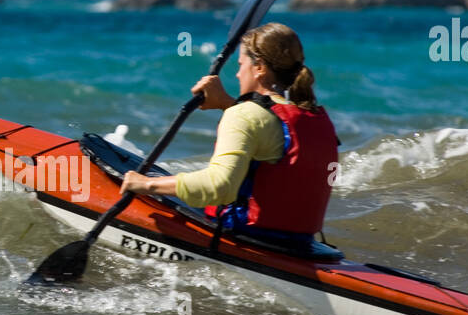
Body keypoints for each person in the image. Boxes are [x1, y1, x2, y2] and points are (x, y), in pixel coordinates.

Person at [119, 22, 337, 239]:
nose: (237, 74)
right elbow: (268, 130)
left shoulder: (245, 115)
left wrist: (146, 183)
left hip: (247, 238)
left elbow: (219, 187)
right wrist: (226, 103)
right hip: (301, 244)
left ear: (259, 67)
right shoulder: (313, 116)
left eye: (241, 65)